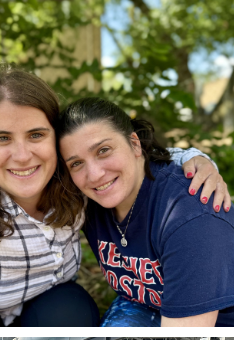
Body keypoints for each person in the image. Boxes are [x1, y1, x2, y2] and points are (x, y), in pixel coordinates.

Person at [0, 66, 229, 327]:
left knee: (69, 311)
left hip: (56, 311)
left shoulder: (77, 186)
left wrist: (193, 159)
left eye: (36, 135)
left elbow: (133, 160)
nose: (22, 155)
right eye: (2, 138)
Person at [59, 98, 234, 326]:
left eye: (103, 150)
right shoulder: (87, 199)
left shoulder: (189, 216)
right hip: (145, 306)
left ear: (134, 144)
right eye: (76, 163)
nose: (94, 174)